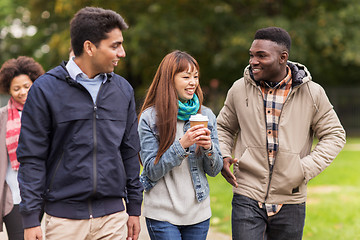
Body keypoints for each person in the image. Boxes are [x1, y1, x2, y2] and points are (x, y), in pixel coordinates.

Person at [16, 7, 143, 240]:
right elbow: (32, 157)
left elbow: (129, 152)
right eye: (115, 46)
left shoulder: (123, 90)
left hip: (113, 217)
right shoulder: (45, 90)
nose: (122, 53)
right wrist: (31, 218)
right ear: (89, 47)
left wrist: (134, 207)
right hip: (64, 221)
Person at [217, 27, 346, 240]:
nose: (253, 61)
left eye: (261, 55)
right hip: (247, 194)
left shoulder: (313, 93)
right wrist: (223, 154)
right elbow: (224, 127)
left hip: (291, 199)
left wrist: (303, 169)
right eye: (251, 55)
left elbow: (334, 134)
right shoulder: (239, 89)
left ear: (282, 58)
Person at [138, 50, 223, 240]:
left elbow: (215, 170)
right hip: (162, 215)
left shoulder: (206, 116)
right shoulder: (150, 118)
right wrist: (182, 145)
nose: (193, 82)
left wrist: (209, 148)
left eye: (195, 76)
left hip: (198, 215)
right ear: (169, 79)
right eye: (186, 77)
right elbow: (151, 171)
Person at [0, 56, 44, 240]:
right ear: (8, 89)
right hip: (13, 194)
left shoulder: (45, 113)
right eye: (16, 88)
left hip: (41, 191)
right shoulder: (2, 116)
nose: (22, 92)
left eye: (27, 86)